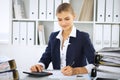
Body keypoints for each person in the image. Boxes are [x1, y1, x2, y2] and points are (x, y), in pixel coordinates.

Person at [30, 3, 95, 76]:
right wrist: (39, 66)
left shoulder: (83, 37)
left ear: (73, 16)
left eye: (67, 19)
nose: (63, 23)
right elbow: (46, 57)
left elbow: (94, 64)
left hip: (76, 78)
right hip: (57, 77)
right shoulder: (53, 36)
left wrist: (75, 71)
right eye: (60, 19)